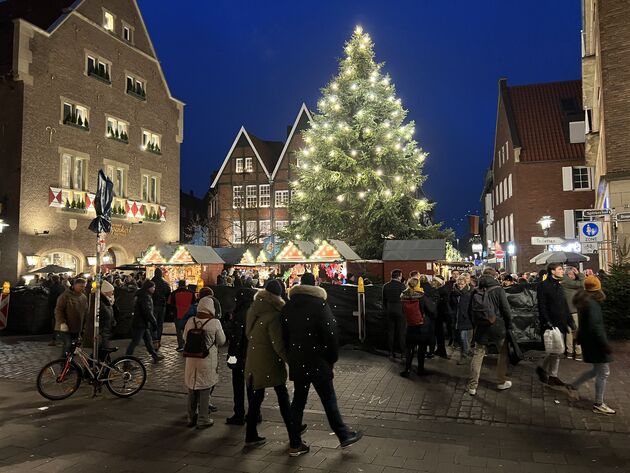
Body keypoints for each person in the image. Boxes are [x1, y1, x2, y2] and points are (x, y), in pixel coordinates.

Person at [282, 273, 363, 449]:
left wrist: (291, 357)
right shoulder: (320, 305)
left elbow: (284, 336)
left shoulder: (288, 307)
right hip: (318, 361)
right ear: (315, 285)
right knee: (328, 400)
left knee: (298, 401)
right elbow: (331, 333)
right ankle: (343, 434)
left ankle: (295, 442)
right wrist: (332, 358)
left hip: (298, 361)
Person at [243, 280, 308, 455]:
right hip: (269, 363)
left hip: (254, 361)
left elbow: (249, 334)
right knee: (283, 399)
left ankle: (250, 436)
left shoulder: (254, 310)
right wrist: (292, 362)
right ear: (278, 296)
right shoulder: (273, 316)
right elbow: (279, 346)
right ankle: (295, 438)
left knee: (256, 400)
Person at [569, 276, 615, 415]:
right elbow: (596, 327)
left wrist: (580, 338)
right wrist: (604, 344)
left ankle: (574, 385)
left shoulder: (584, 301)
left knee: (597, 370)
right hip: (596, 343)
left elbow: (584, 324)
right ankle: (599, 403)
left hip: (589, 342)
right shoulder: (593, 304)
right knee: (604, 372)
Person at [467, 268, 513, 396]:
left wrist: (475, 324)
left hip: (481, 327)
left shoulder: (475, 290)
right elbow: (506, 309)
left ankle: (472, 386)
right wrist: (509, 325)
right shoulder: (498, 289)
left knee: (478, 354)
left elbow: (469, 311)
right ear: (494, 276)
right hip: (497, 326)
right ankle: (501, 381)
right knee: (503, 353)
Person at [184, 296, 226, 429]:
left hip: (191, 359)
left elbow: (185, 337)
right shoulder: (214, 323)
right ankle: (203, 418)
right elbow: (221, 341)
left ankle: (191, 417)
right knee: (205, 389)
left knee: (192, 388)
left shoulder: (191, 321)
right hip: (207, 360)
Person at [536, 263, 575, 386]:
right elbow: (542, 305)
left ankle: (546, 371)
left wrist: (570, 321)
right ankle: (550, 373)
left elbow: (564, 305)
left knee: (556, 350)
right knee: (556, 350)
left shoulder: (559, 285)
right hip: (552, 322)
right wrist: (547, 321)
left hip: (561, 321)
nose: (562, 271)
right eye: (559, 269)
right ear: (552, 271)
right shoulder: (543, 286)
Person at [225, 278, 258, 425]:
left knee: (238, 387)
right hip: (253, 356)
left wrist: (231, 356)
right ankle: (255, 414)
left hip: (240, 357)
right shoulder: (257, 314)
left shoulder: (240, 315)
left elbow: (235, 338)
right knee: (252, 388)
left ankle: (239, 414)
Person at [400, 277, 436, 377]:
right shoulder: (421, 296)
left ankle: (407, 369)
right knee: (421, 349)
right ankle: (420, 369)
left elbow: (403, 311)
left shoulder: (404, 296)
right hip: (422, 326)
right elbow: (432, 309)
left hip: (410, 325)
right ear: (417, 285)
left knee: (410, 349)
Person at [126, 280, 164, 363]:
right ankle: (126, 361)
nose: (154, 289)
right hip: (140, 323)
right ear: (149, 288)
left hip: (142, 322)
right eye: (153, 287)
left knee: (148, 341)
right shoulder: (145, 296)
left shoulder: (141, 294)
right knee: (135, 342)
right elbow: (147, 311)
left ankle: (155, 356)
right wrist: (154, 322)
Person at [54, 278, 89, 357]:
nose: (83, 288)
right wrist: (62, 322)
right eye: (81, 286)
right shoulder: (65, 296)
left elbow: (86, 311)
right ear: (74, 285)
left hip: (77, 327)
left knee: (74, 347)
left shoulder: (83, 297)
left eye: (84, 286)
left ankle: (71, 365)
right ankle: (64, 365)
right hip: (66, 327)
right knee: (68, 345)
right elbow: (58, 310)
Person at [562, 266, 585, 361]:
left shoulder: (565, 281)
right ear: (568, 274)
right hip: (573, 310)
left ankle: (570, 352)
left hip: (568, 310)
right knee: (575, 331)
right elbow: (582, 284)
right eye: (572, 274)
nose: (573, 276)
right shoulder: (567, 281)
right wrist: (580, 274)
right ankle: (578, 352)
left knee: (569, 332)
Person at [382, 269, 406, 359]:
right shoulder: (402, 286)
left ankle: (391, 352)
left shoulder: (386, 286)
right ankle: (403, 353)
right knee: (401, 332)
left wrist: (386, 309)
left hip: (389, 310)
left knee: (390, 332)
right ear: (399, 276)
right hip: (400, 311)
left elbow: (383, 299)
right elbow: (405, 299)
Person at [449, 275, 473, 364]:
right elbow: (451, 304)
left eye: (462, 284)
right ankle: (465, 353)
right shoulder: (454, 293)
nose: (460, 286)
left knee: (464, 337)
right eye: (459, 285)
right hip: (456, 318)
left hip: (466, 318)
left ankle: (465, 354)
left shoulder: (469, 293)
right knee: (460, 338)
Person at [170, 280, 196, 352]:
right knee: (188, 330)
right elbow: (194, 303)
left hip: (178, 314)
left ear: (178, 285)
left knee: (179, 331)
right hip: (189, 315)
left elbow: (171, 304)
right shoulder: (191, 293)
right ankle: (188, 345)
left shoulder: (174, 293)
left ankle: (180, 346)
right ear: (185, 285)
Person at [151, 267, 171, 350]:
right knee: (160, 323)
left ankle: (154, 339)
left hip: (153, 305)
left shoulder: (151, 283)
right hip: (162, 305)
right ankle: (158, 340)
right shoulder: (165, 283)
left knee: (153, 323)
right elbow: (168, 293)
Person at [47, 275, 65, 346]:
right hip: (61, 306)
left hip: (55, 307)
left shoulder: (52, 287)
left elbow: (51, 299)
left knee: (55, 324)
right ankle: (62, 340)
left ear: (52, 280)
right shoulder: (62, 287)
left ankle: (55, 340)